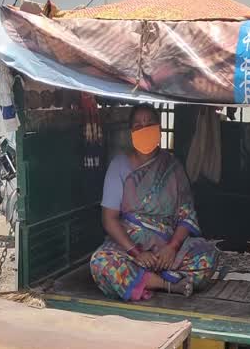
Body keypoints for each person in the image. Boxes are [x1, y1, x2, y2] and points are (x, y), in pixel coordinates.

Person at [90, 104, 218, 301]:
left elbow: (187, 215)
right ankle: (167, 284)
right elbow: (109, 219)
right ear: (131, 131)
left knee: (208, 257)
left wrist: (172, 247)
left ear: (159, 127)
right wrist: (135, 252)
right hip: (130, 246)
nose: (145, 128)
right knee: (101, 263)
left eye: (150, 123)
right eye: (138, 125)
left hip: (167, 246)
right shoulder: (119, 165)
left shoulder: (173, 167)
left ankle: (143, 280)